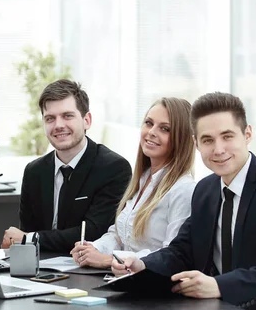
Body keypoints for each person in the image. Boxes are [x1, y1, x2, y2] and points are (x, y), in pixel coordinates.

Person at [112, 92, 256, 310]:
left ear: (247, 134)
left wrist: (219, 286)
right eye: (207, 140)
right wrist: (142, 265)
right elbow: (182, 251)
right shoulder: (205, 190)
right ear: (196, 144)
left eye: (227, 136)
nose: (218, 149)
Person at [1, 79, 132, 252]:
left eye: (67, 116)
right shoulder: (34, 171)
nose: (58, 125)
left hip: (87, 269)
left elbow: (93, 233)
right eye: (50, 118)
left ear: (87, 120)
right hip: (38, 268)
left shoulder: (114, 168)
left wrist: (29, 239)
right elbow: (27, 231)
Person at [70, 97, 195, 268]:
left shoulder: (184, 189)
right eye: (149, 123)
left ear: (182, 138)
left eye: (165, 129)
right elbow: (119, 235)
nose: (151, 132)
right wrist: (93, 248)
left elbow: (172, 254)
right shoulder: (142, 179)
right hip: (121, 281)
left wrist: (110, 260)